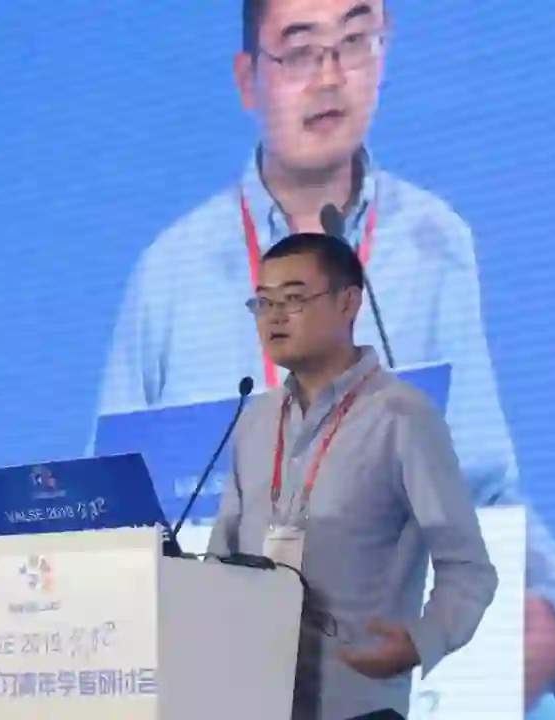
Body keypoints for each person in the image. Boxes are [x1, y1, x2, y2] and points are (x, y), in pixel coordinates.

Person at [94, 0, 555, 710]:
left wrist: (551, 620)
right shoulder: (170, 274)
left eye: (354, 40)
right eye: (300, 50)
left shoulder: (435, 245)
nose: (329, 76)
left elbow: (482, 490)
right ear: (248, 79)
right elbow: (109, 522)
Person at [208, 232, 499, 720]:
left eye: (293, 298)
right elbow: (221, 559)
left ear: (348, 303)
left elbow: (469, 568)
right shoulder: (254, 422)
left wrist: (422, 640)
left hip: (355, 702)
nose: (274, 316)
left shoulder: (401, 416)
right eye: (263, 302)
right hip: (255, 701)